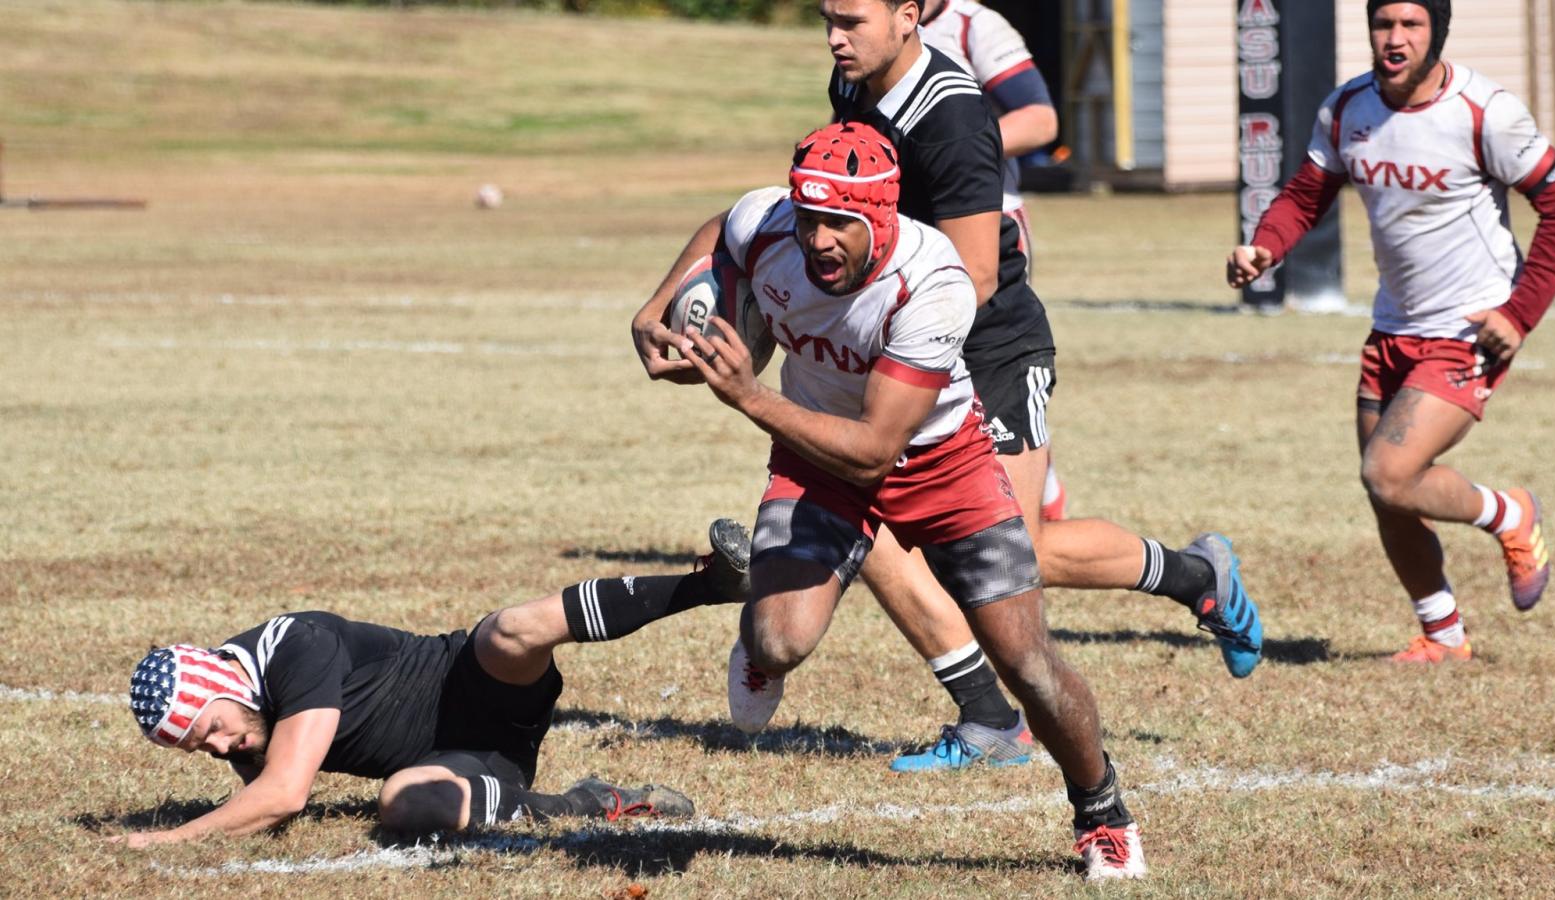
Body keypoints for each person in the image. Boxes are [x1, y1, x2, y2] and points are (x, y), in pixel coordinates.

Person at [684, 0, 1260, 775]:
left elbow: (977, 273)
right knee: (872, 506)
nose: (833, 37)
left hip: (984, 344)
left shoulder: (952, 116)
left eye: (849, 20)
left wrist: (896, 360)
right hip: (898, 341)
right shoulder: (856, 82)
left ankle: (1197, 576)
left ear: (909, 15)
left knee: (1013, 552)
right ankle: (986, 714)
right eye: (828, 18)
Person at [658, 120, 1145, 879]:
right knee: (778, 641)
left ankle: (1101, 810)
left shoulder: (935, 283)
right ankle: (760, 636)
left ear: (881, 216)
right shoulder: (772, 223)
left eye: (839, 224)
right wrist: (655, 311)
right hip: (815, 460)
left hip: (942, 464)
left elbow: (876, 448)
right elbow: (726, 227)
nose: (818, 240)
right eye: (809, 217)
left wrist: (749, 395)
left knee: (1028, 662)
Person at [1227, 0, 1555, 662]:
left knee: (1388, 472)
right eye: (1383, 25)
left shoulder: (1485, 113)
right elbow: (1307, 195)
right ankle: (1442, 634)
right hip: (1393, 326)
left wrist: (1519, 314)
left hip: (1470, 328)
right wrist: (1264, 249)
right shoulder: (1347, 109)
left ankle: (1511, 514)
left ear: (1436, 33)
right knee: (1386, 493)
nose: (1394, 39)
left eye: (1410, 26)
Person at [108, 528, 755, 847]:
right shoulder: (240, 711)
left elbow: (283, 795)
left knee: (509, 630)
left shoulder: (293, 646)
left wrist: (164, 840)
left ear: (220, 681)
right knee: (405, 805)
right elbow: (272, 803)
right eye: (202, 749)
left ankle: (708, 585)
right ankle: (586, 802)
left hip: (476, 685)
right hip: (463, 763)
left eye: (210, 729)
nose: (220, 747)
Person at [917, 0, 1069, 519]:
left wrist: (951, 148)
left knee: (988, 365)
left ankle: (1040, 493)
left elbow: (1041, 118)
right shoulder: (865, 31)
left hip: (988, 220)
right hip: (912, 226)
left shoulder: (973, 24)